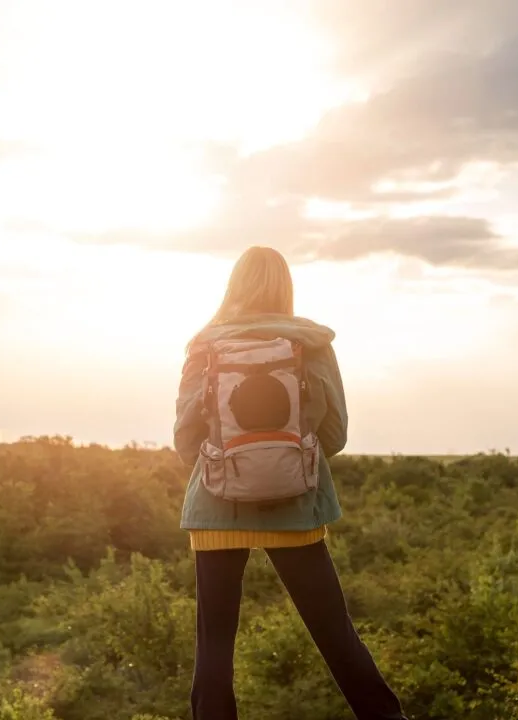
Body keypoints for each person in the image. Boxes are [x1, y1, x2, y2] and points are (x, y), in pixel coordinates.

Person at [174, 246, 408, 720]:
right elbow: (336, 436)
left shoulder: (204, 345)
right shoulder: (312, 343)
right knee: (335, 635)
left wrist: (231, 467)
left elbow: (184, 440)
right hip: (296, 507)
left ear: (233, 284)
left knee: (214, 650)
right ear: (286, 286)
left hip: (217, 509)